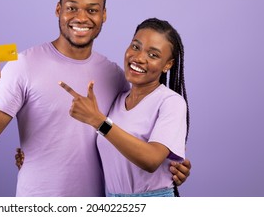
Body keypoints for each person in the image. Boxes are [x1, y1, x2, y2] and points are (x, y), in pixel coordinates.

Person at [0, 0, 191, 197]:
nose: (82, 18)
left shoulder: (115, 75)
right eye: (72, 8)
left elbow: (138, 139)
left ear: (103, 16)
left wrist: (171, 166)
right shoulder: (23, 64)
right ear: (58, 10)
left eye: (92, 10)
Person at [59, 18, 189, 197]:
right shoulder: (117, 100)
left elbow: (151, 160)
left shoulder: (170, 102)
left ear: (167, 65)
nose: (139, 58)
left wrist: (99, 122)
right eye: (136, 47)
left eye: (153, 55)